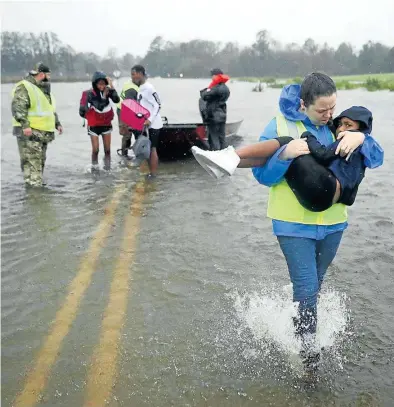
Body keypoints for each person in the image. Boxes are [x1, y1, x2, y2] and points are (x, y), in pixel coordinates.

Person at [192, 105, 374, 212]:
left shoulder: (351, 140)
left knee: (287, 143)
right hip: (325, 201)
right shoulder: (356, 144)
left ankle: (229, 157)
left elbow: (324, 155)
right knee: (286, 148)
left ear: (362, 128)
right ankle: (224, 163)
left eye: (348, 125)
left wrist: (308, 137)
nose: (341, 129)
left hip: (324, 192)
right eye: (341, 124)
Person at [11, 62, 63, 187]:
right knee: (32, 162)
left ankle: (33, 192)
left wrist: (57, 123)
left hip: (42, 132)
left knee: (39, 162)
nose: (49, 77)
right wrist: (25, 125)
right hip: (29, 132)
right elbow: (18, 107)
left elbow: (50, 109)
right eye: (48, 74)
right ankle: (35, 194)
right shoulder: (25, 87)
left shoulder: (43, 89)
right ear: (41, 74)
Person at [79, 71, 120, 170]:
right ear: (95, 84)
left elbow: (117, 100)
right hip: (94, 125)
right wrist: (104, 96)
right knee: (96, 150)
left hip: (106, 124)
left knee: (107, 150)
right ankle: (94, 169)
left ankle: (107, 169)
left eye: (104, 84)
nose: (102, 86)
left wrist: (112, 86)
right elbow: (100, 107)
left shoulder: (108, 90)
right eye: (99, 84)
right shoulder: (89, 94)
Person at [131, 64, 163, 178]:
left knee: (153, 148)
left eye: (133, 75)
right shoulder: (141, 88)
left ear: (140, 74)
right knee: (145, 148)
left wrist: (150, 119)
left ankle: (153, 174)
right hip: (144, 125)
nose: (132, 78)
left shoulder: (149, 88)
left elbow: (158, 105)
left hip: (153, 124)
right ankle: (148, 172)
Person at [200, 68, 230, 151]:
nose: (212, 77)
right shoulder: (226, 89)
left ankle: (215, 154)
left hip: (213, 116)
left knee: (214, 138)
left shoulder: (216, 88)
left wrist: (204, 91)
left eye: (213, 75)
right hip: (222, 115)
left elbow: (204, 96)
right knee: (222, 138)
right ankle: (224, 153)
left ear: (216, 76)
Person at [115, 70, 140, 158]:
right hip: (123, 110)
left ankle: (134, 151)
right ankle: (124, 155)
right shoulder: (131, 88)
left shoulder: (138, 85)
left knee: (137, 132)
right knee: (127, 133)